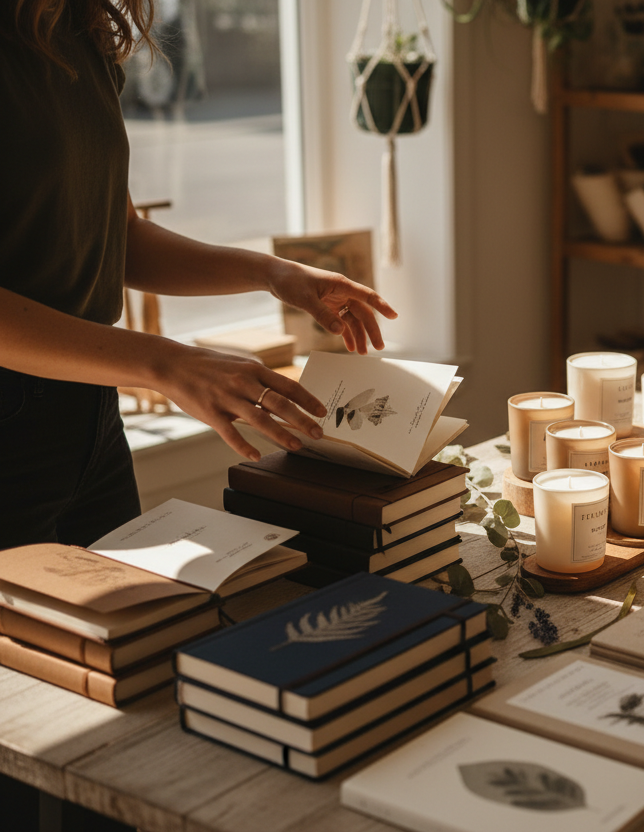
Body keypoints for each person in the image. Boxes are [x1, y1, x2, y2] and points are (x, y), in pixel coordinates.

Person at [1, 0, 399, 550]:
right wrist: (167, 364)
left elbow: (121, 236)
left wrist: (270, 272)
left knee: (129, 631)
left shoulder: (75, 30)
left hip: (90, 409)